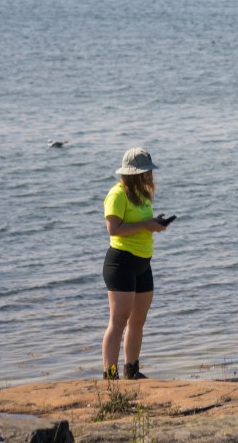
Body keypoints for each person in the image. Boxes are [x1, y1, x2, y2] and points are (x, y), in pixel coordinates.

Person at [101, 147, 170, 380]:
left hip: (143, 262)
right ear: (133, 173)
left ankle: (131, 370)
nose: (149, 176)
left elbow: (141, 223)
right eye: (145, 172)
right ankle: (110, 376)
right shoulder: (117, 194)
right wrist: (145, 226)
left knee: (138, 320)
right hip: (121, 263)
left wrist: (155, 223)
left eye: (149, 172)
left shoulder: (141, 194)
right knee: (118, 321)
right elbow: (113, 228)